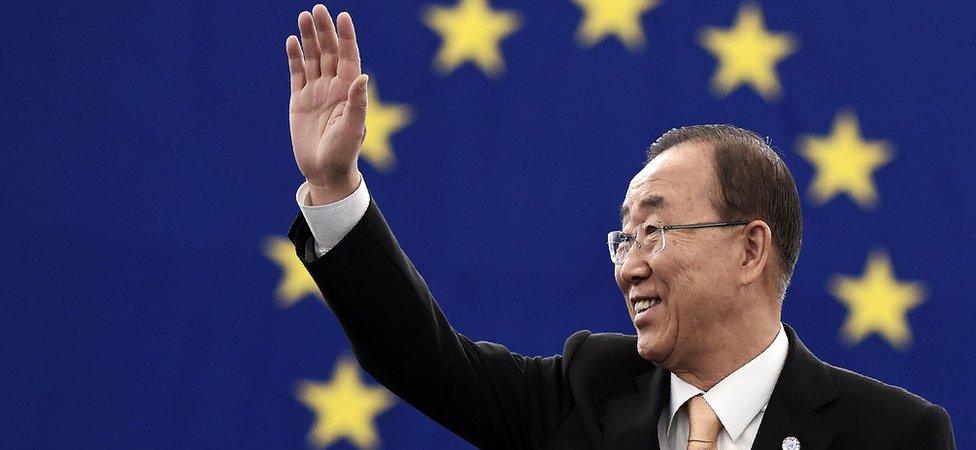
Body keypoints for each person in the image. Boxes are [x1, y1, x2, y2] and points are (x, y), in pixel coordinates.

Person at [282, 4, 956, 449]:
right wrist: (335, 185)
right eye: (624, 238)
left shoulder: (894, 434)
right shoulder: (587, 391)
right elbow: (421, 359)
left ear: (750, 249)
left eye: (655, 232)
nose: (628, 265)